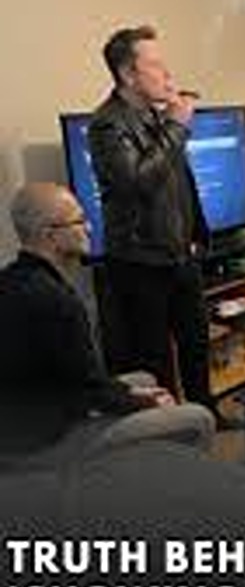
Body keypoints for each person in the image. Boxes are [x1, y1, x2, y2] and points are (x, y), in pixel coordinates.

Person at [0, 183, 215, 462]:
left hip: (29, 415)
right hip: (50, 437)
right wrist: (142, 401)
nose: (89, 229)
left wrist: (134, 392)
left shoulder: (13, 279)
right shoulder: (55, 302)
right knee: (199, 418)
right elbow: (89, 391)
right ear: (50, 235)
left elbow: (79, 377)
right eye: (79, 221)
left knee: (146, 378)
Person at [87, 24, 212, 408]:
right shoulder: (107, 124)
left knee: (196, 342)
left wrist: (197, 234)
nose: (167, 74)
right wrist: (176, 125)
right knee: (154, 357)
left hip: (179, 254)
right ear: (128, 74)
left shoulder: (155, 117)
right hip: (140, 261)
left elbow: (179, 181)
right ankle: (171, 430)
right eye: (155, 65)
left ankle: (205, 413)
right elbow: (137, 183)